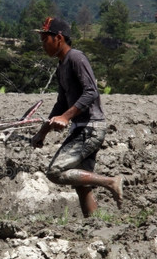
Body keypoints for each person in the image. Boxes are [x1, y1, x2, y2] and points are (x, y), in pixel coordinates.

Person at [29, 17, 123, 217]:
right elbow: (61, 102)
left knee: (55, 172)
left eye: (45, 39)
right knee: (82, 186)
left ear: (59, 38)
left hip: (90, 128)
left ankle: (111, 181)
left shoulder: (76, 58)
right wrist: (43, 131)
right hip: (82, 128)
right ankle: (94, 226)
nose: (43, 45)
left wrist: (65, 117)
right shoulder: (61, 65)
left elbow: (91, 92)